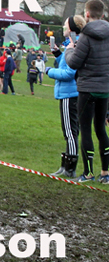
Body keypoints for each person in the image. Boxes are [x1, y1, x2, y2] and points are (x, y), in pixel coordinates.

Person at [65, 0, 109, 183]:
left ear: (87, 14)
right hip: (105, 88)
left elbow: (74, 63)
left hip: (88, 88)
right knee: (101, 129)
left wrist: (69, 50)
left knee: (85, 130)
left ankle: (88, 172)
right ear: (103, 14)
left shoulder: (86, 35)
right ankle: (105, 172)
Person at [46, 16, 83, 179]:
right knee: (69, 130)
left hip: (70, 93)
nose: (63, 27)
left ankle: (70, 168)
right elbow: (66, 62)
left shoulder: (75, 45)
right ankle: (66, 165)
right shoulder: (72, 44)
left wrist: (49, 71)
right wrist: (57, 53)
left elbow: (69, 73)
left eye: (66, 24)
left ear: (72, 28)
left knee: (70, 131)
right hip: (69, 93)